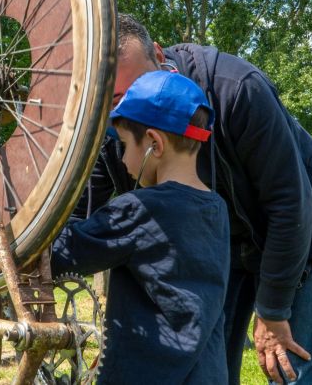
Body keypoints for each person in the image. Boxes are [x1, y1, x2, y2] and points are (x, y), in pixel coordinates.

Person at [74, 14, 312, 384]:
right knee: (211, 365)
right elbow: (83, 212)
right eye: (114, 99)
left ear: (157, 53)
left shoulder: (237, 89)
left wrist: (274, 309)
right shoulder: (114, 122)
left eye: (133, 89)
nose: (126, 111)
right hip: (219, 243)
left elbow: (291, 203)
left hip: (301, 223)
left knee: (291, 369)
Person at [51, 70, 231, 385]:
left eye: (122, 145)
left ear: (153, 144)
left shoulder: (140, 209)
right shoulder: (216, 209)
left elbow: (63, 254)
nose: (121, 160)